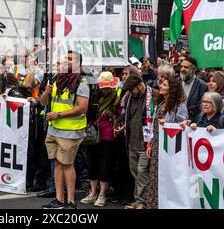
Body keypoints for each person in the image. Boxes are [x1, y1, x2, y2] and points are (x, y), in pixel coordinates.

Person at [41, 51, 89, 209]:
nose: (65, 61)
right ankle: (59, 199)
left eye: (70, 59)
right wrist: (46, 93)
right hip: (54, 130)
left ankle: (70, 202)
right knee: (57, 164)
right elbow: (43, 102)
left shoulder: (81, 81)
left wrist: (58, 115)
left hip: (70, 131)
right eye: (65, 58)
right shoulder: (57, 79)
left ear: (77, 64)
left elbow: (82, 108)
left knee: (67, 165)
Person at [145, 75, 188, 209]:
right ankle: (154, 204)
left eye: (164, 84)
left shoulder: (179, 106)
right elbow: (154, 125)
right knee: (155, 175)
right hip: (157, 144)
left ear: (172, 89)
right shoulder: (162, 104)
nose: (161, 86)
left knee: (167, 176)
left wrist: (168, 122)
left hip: (170, 148)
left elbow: (183, 125)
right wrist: (150, 143)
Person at [80, 72, 120, 208]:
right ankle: (92, 192)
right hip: (92, 135)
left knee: (105, 165)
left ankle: (102, 194)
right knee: (91, 163)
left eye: (108, 87)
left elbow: (120, 115)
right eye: (104, 87)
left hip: (108, 135)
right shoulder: (94, 97)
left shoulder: (116, 99)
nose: (106, 90)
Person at [114, 74, 154, 209]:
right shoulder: (130, 97)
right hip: (131, 142)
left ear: (139, 85)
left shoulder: (154, 95)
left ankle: (140, 202)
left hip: (145, 142)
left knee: (142, 173)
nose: (130, 92)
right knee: (135, 173)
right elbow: (126, 116)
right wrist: (120, 125)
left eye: (132, 89)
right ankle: (142, 199)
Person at [179, 56, 207, 123]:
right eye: (182, 66)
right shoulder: (178, 83)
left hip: (192, 126)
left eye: (186, 67)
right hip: (177, 124)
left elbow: (202, 110)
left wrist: (192, 121)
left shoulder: (202, 85)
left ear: (193, 69)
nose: (182, 69)